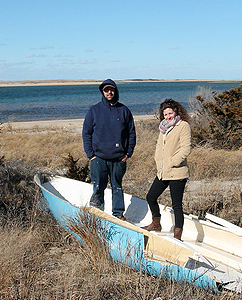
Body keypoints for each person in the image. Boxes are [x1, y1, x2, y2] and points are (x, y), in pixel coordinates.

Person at [82, 79, 136, 219]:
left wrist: (128, 153)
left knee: (117, 187)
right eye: (106, 90)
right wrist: (90, 155)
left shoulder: (124, 110)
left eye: (111, 89)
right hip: (98, 158)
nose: (109, 92)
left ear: (115, 91)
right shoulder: (94, 111)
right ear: (102, 92)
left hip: (119, 159)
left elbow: (131, 133)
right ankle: (96, 214)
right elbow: (86, 133)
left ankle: (118, 214)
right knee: (98, 187)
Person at [142, 99, 191, 240]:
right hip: (163, 172)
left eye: (170, 113)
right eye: (165, 114)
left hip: (177, 171)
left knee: (176, 205)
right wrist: (158, 162)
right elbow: (159, 147)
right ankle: (156, 223)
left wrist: (172, 162)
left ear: (176, 112)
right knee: (151, 197)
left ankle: (177, 235)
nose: (168, 116)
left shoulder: (183, 126)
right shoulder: (163, 128)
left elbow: (186, 148)